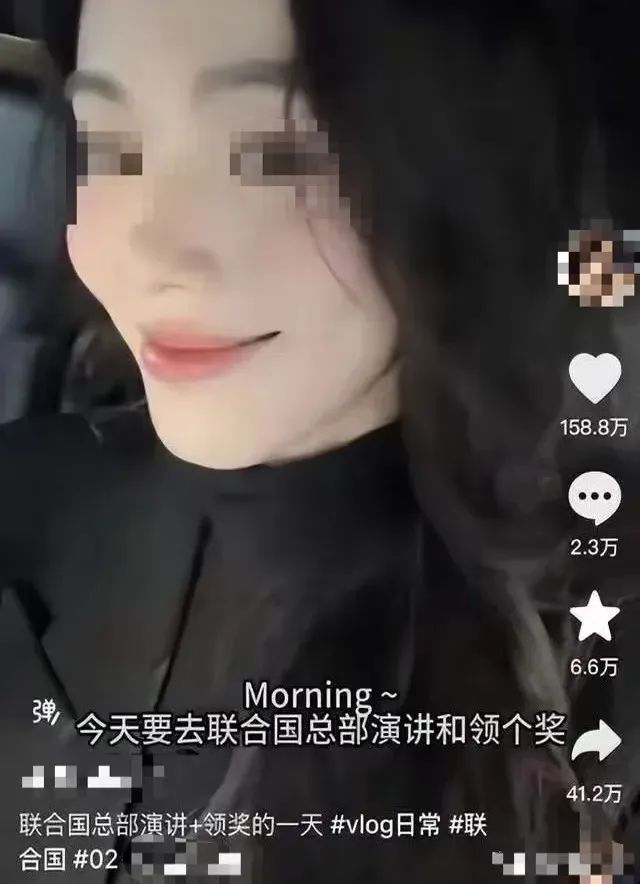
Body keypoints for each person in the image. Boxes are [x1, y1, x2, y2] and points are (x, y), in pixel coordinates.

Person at [0, 1, 639, 881]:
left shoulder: (606, 666)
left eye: (276, 154)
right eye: (108, 147)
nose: (153, 248)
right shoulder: (28, 505)